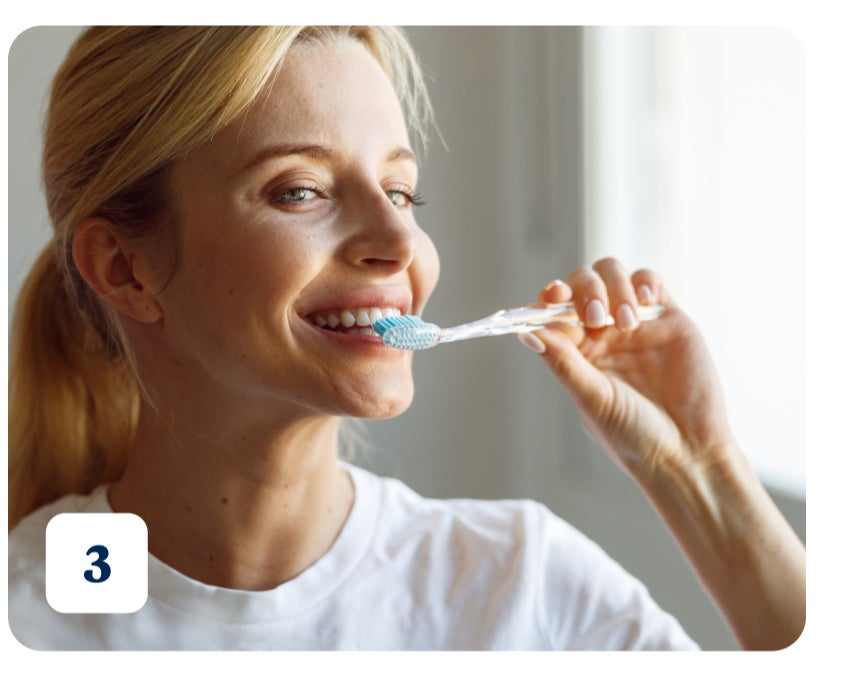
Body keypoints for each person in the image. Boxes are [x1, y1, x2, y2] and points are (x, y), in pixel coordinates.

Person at [8, 26, 804, 651]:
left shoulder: (521, 586)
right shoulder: (31, 612)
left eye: (401, 189)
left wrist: (698, 469)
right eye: (301, 190)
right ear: (125, 269)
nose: (398, 238)